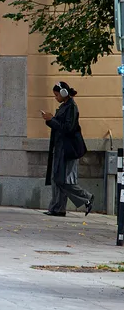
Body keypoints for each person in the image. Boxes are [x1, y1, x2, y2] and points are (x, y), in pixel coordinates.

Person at [42, 81, 93, 217]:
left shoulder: (71, 107)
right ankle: (57, 208)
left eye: (57, 94)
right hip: (60, 147)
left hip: (67, 149)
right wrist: (50, 120)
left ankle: (86, 197)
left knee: (62, 180)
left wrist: (51, 119)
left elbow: (67, 128)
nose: (56, 97)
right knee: (56, 178)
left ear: (64, 93)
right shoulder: (65, 106)